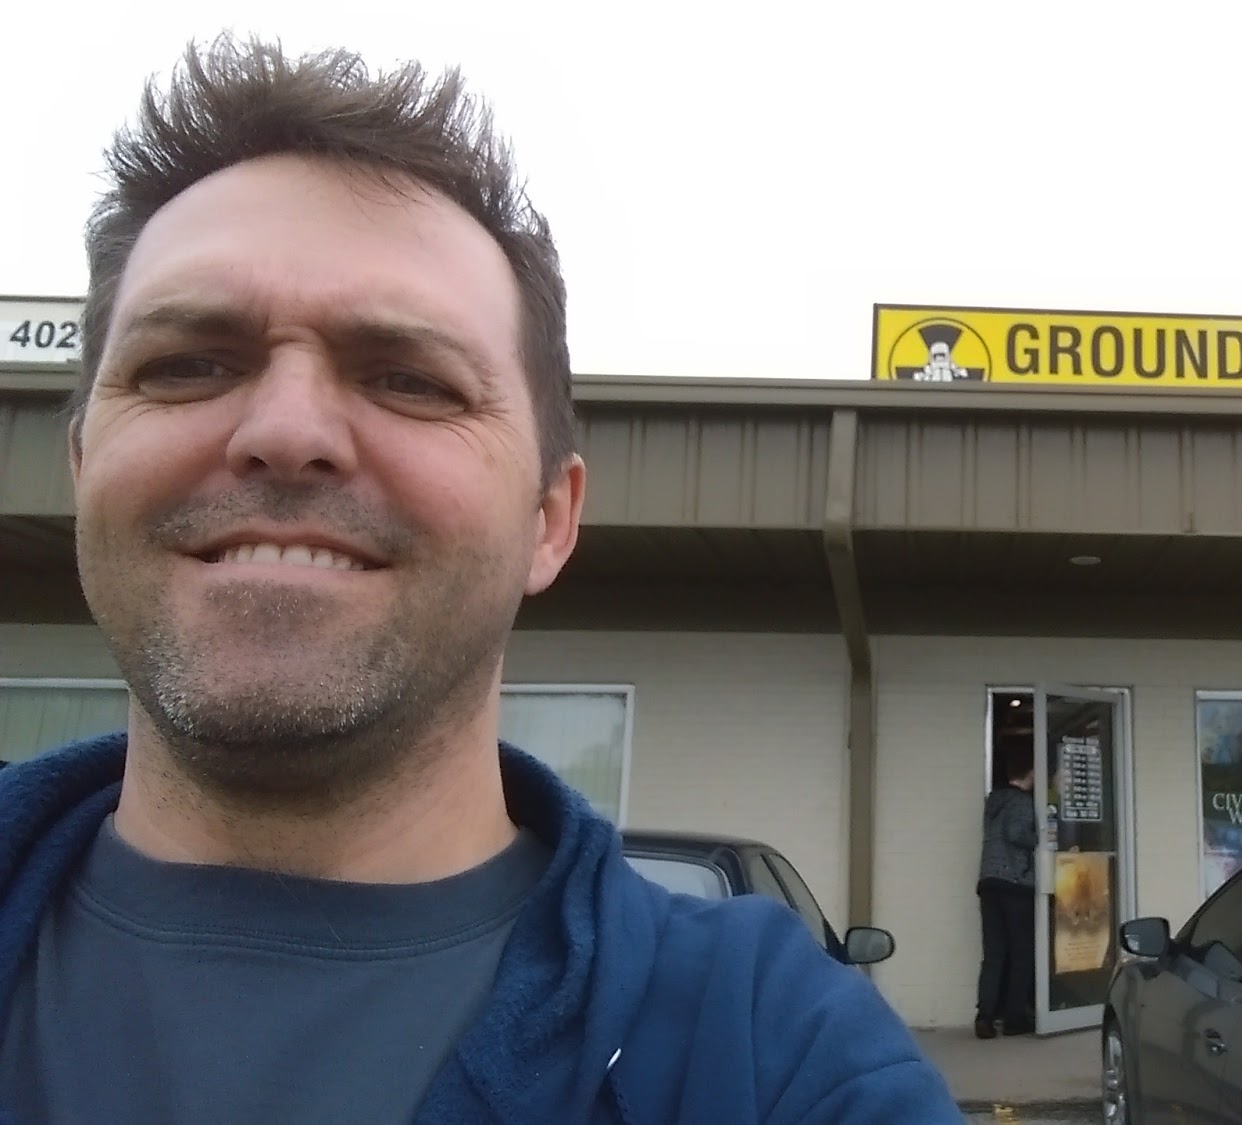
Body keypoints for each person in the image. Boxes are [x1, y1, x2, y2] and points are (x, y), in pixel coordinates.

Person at [0, 35, 959, 1124]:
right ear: (82, 467)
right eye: (187, 365)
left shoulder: (776, 1052)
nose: (286, 430)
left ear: (550, 520)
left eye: (409, 379)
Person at [974, 748, 1037, 1038]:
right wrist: (1042, 838)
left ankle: (985, 1016)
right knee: (1021, 954)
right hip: (1015, 882)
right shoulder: (1021, 801)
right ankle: (1014, 1018)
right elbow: (1016, 833)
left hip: (989, 882)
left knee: (994, 954)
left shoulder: (994, 802)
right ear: (1030, 773)